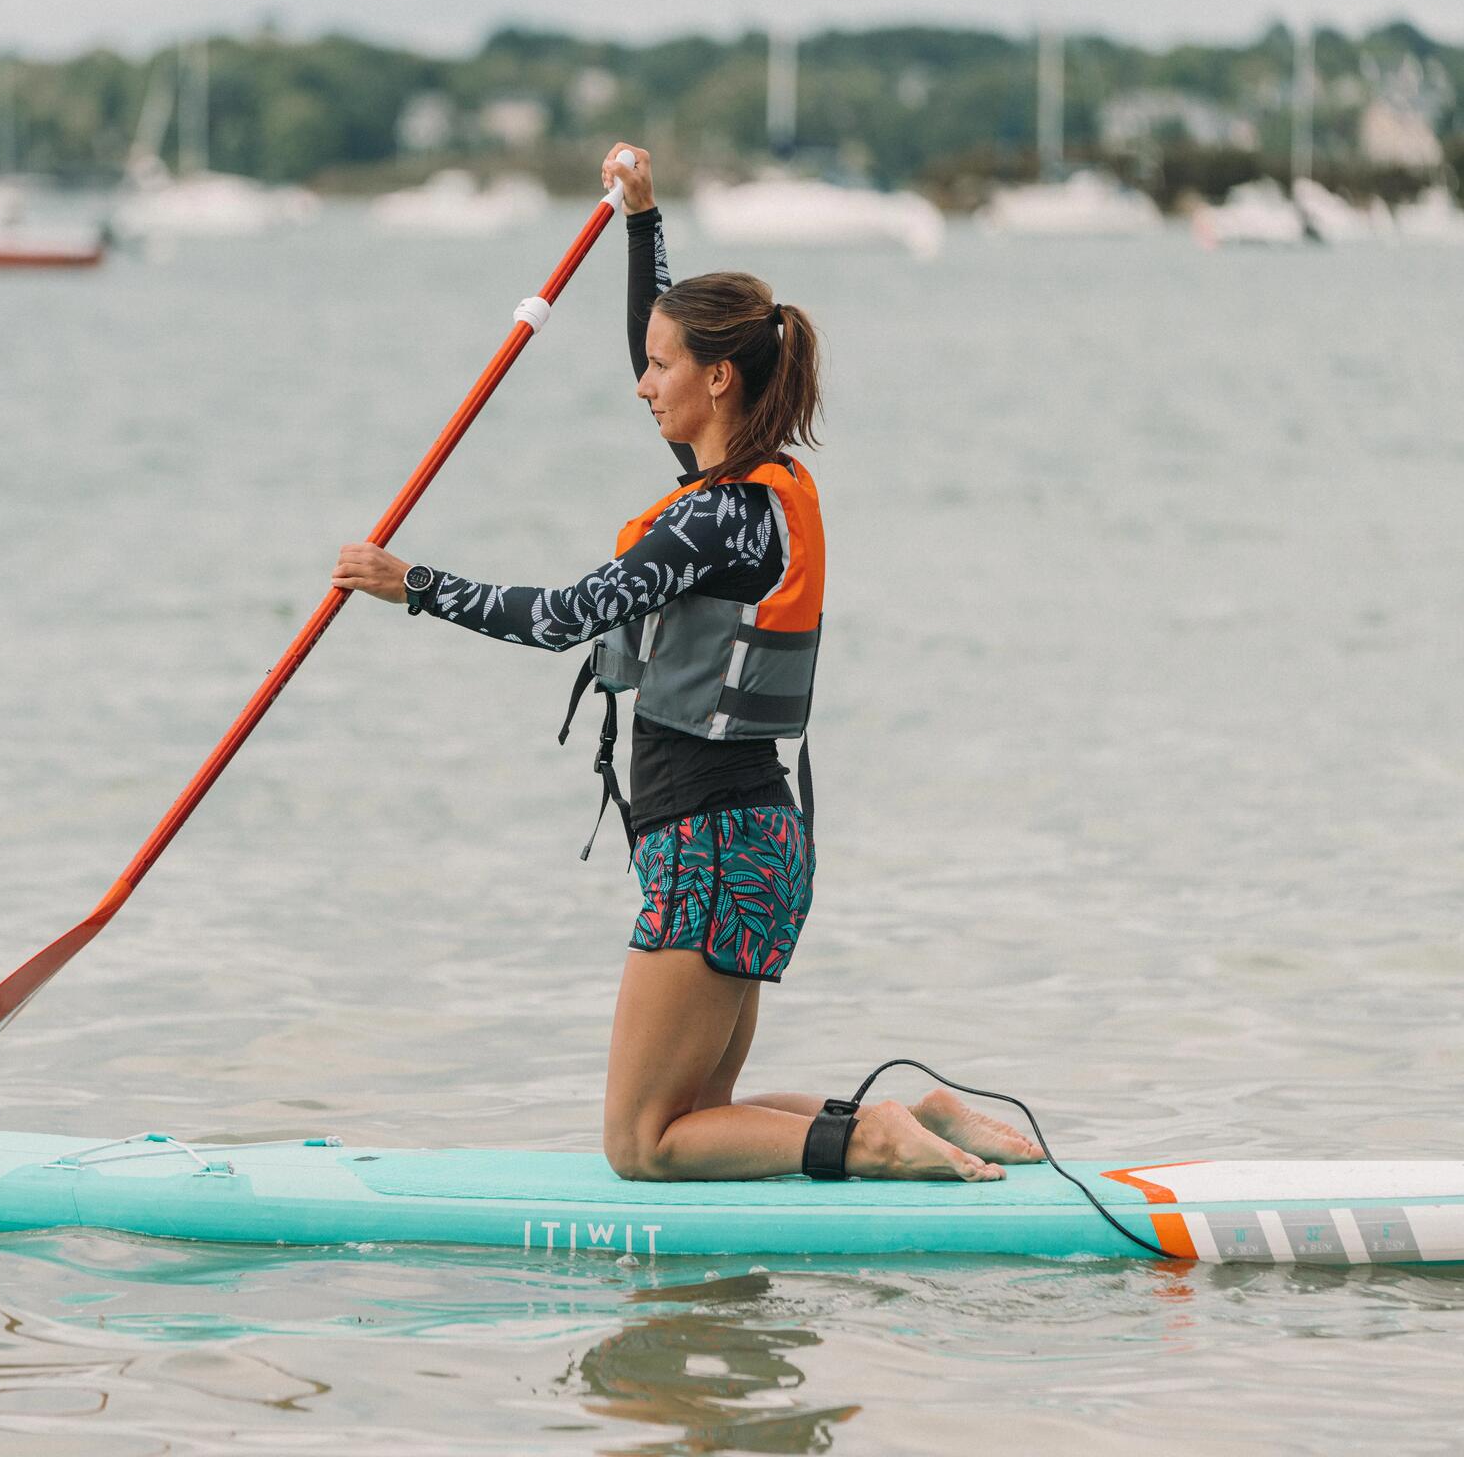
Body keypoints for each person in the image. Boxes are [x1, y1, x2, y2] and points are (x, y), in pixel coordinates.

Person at [333, 143, 1041, 1184]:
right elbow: (655, 331)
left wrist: (416, 585)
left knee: (644, 1144)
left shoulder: (713, 520)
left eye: (663, 369)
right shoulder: (755, 493)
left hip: (710, 849)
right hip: (752, 836)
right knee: (702, 1114)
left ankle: (882, 1139)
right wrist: (640, 221)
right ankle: (912, 1116)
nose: (641, 382)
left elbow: (569, 614)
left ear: (718, 377)